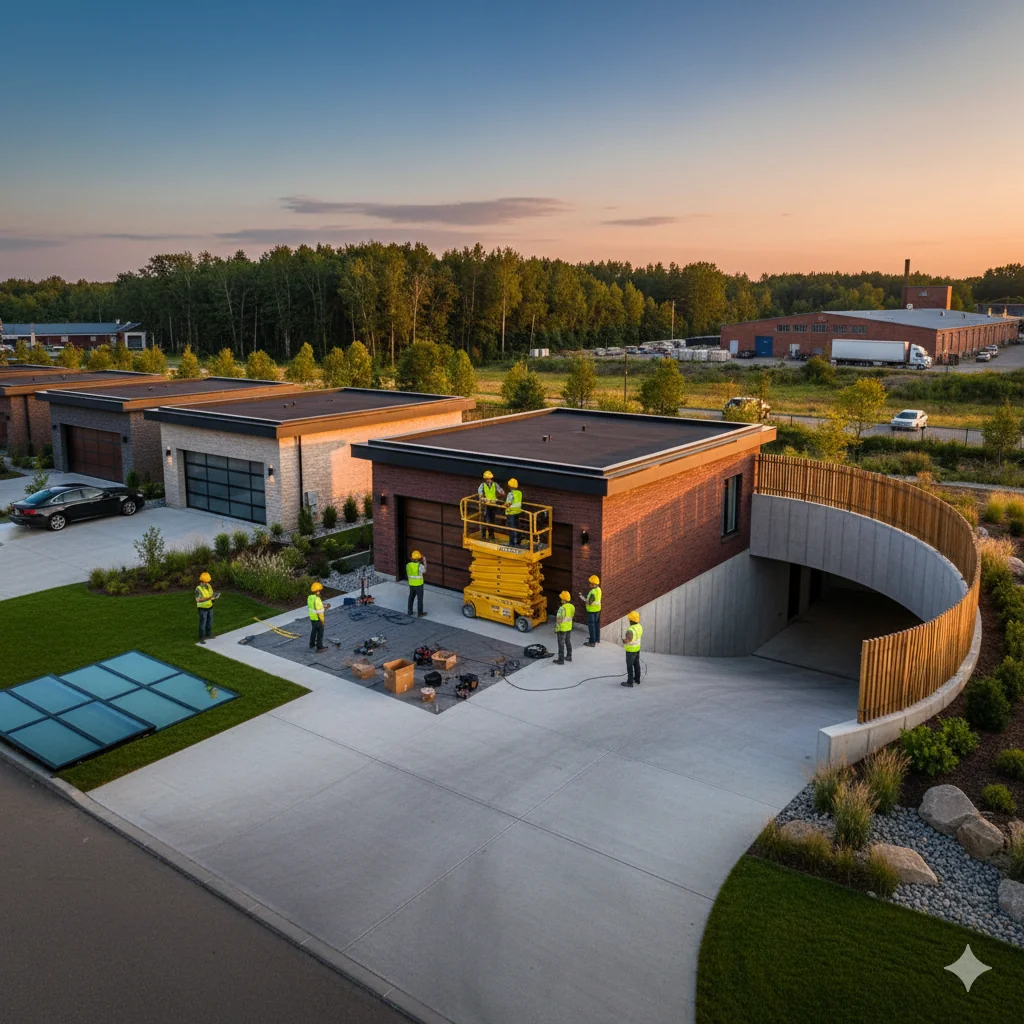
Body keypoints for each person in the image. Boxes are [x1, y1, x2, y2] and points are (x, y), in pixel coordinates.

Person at [477, 469, 505, 540]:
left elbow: (500, 490)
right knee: (485, 520)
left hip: (493, 504)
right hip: (486, 505)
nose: (488, 480)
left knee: (492, 520)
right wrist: (482, 498)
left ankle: (491, 535)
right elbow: (480, 493)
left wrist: (502, 492)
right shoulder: (482, 485)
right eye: (487, 479)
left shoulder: (495, 484)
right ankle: (484, 536)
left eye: (489, 479)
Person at [194, 571, 217, 643]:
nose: (207, 582)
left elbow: (211, 594)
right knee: (203, 623)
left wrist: (214, 597)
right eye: (206, 581)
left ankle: (209, 634)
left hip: (210, 606)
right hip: (202, 608)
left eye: (208, 581)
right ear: (202, 581)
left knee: (210, 621)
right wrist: (209, 598)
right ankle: (202, 637)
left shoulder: (209, 586)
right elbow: (198, 600)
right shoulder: (198, 589)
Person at [621, 611, 642, 687]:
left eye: (629, 619)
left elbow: (627, 641)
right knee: (636, 664)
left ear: (631, 621)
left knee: (629, 666)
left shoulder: (630, 630)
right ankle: (637, 679)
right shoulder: (639, 626)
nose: (628, 620)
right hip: (637, 649)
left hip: (630, 651)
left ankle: (630, 682)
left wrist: (624, 640)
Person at [580, 575, 602, 646]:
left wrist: (582, 597)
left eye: (591, 583)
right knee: (596, 625)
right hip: (598, 610)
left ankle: (592, 642)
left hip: (592, 611)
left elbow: (589, 602)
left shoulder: (593, 592)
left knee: (591, 626)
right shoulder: (599, 589)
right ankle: (597, 639)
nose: (590, 585)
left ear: (595, 584)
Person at [554, 590, 574, 664]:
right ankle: (569, 656)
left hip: (562, 629)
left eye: (561, 599)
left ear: (564, 600)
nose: (560, 600)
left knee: (561, 644)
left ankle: (561, 660)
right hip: (569, 627)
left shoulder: (562, 608)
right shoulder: (572, 607)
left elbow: (559, 620)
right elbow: (571, 616)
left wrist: (556, 628)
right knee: (568, 642)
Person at [307, 581, 329, 652]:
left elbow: (313, 607)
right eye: (320, 591)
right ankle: (319, 647)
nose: (320, 592)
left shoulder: (310, 597)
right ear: (317, 591)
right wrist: (324, 609)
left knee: (313, 631)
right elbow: (319, 611)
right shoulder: (317, 599)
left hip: (312, 618)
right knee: (320, 633)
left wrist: (322, 606)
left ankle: (312, 644)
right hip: (318, 618)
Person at [407, 549, 427, 617]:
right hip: (419, 585)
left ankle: (410, 611)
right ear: (419, 558)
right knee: (420, 599)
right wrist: (424, 561)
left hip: (411, 584)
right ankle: (420, 613)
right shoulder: (419, 566)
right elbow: (424, 571)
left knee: (411, 598)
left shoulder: (408, 565)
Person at [505, 477, 523, 546]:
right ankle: (518, 540)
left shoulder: (510, 494)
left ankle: (511, 544)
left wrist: (505, 504)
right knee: (517, 526)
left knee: (511, 528)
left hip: (511, 512)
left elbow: (508, 503)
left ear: (509, 486)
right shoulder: (519, 493)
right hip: (518, 511)